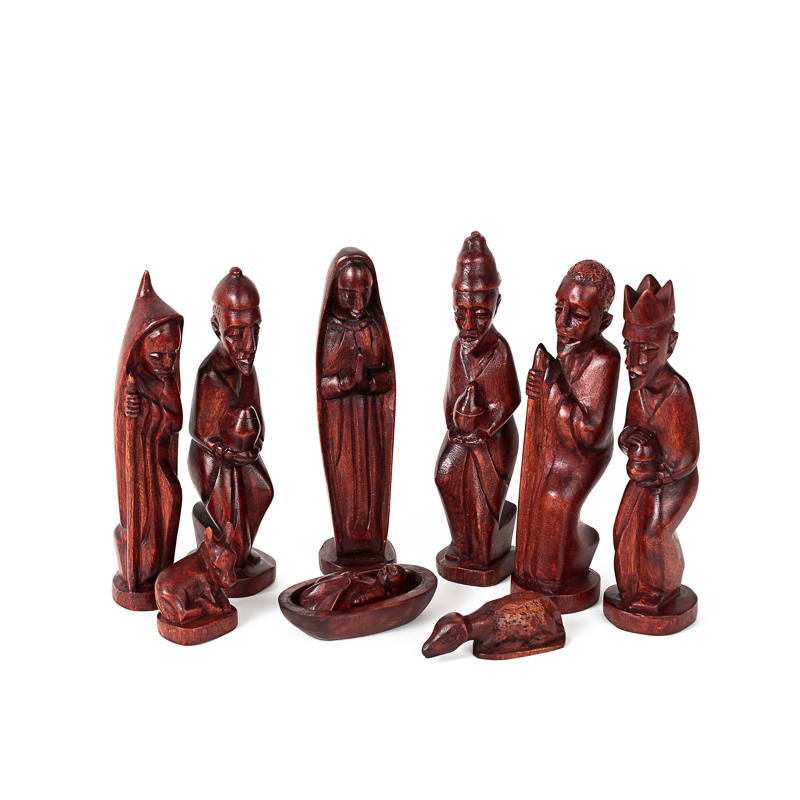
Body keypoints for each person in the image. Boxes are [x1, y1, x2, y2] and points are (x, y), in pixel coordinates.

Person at [513, 261, 620, 609]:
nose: (562, 322)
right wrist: (538, 387)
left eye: (578, 315)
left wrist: (551, 388)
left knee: (555, 499)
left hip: (585, 453)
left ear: (604, 321)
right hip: (557, 439)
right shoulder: (565, 344)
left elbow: (591, 434)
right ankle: (537, 567)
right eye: (559, 308)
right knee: (534, 493)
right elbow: (551, 385)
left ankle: (570, 562)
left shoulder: (606, 359)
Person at [435, 232, 520, 578]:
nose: (468, 326)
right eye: (460, 314)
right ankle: (461, 545)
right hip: (462, 433)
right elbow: (449, 394)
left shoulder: (500, 350)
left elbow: (510, 400)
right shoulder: (458, 347)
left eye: (480, 314)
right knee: (446, 475)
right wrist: (452, 425)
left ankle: (483, 551)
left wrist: (484, 429)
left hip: (494, 439)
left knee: (481, 497)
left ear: (498, 304)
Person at [612, 274, 699, 613]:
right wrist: (630, 441)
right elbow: (625, 432)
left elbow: (688, 457)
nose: (632, 362)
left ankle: (663, 590)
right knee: (622, 529)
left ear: (670, 344)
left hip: (676, 481)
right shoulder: (638, 388)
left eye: (647, 351)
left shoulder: (677, 392)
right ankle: (631, 587)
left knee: (653, 534)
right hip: (645, 477)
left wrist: (660, 471)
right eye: (628, 348)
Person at [188, 267, 274, 594]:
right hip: (211, 458)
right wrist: (225, 451)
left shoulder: (248, 371)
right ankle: (225, 557)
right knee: (230, 521)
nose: (248, 345)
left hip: (240, 454)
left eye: (255, 331)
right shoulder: (209, 374)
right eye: (236, 334)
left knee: (263, 490)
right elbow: (198, 431)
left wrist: (255, 444)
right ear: (216, 327)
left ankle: (241, 553)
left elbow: (259, 420)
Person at [317, 248, 395, 567]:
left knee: (373, 482)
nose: (358, 303)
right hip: (342, 428)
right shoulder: (332, 332)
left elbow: (388, 378)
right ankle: (348, 542)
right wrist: (345, 382)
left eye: (365, 293)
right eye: (348, 294)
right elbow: (323, 386)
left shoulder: (374, 328)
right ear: (335, 292)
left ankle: (372, 543)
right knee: (347, 485)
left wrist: (370, 382)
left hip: (372, 424)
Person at [112, 271, 183, 609]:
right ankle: (138, 573)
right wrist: (131, 413)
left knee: (171, 499)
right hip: (138, 470)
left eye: (173, 354)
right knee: (140, 528)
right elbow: (123, 433)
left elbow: (176, 421)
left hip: (159, 464)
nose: (167, 363)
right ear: (138, 350)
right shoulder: (132, 382)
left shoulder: (166, 383)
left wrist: (152, 410)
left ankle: (163, 573)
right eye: (158, 356)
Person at [298, 564, 407, 611]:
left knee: (341, 583)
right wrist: (350, 575)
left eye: (392, 571)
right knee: (328, 582)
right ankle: (310, 598)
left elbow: (356, 601)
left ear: (396, 584)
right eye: (386, 567)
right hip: (334, 584)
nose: (385, 570)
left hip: (341, 593)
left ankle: (312, 601)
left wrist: (351, 583)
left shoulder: (380, 592)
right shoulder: (373, 579)